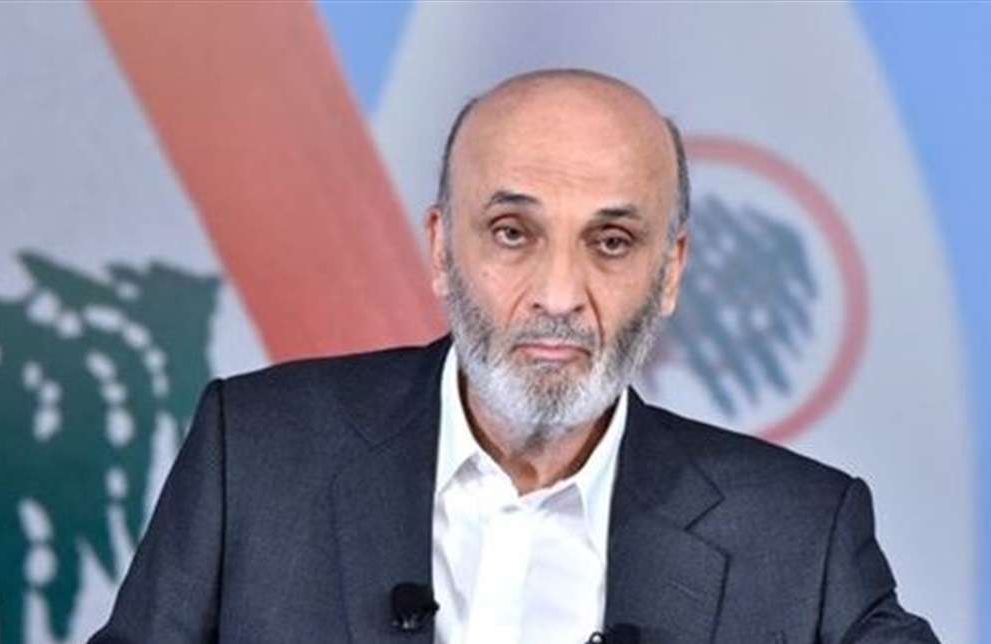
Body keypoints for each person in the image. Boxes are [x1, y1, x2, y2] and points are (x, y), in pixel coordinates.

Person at [90, 69, 940, 644]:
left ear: (671, 272)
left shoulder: (801, 536)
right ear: (440, 248)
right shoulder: (257, 453)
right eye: (511, 233)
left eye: (612, 241)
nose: (559, 294)